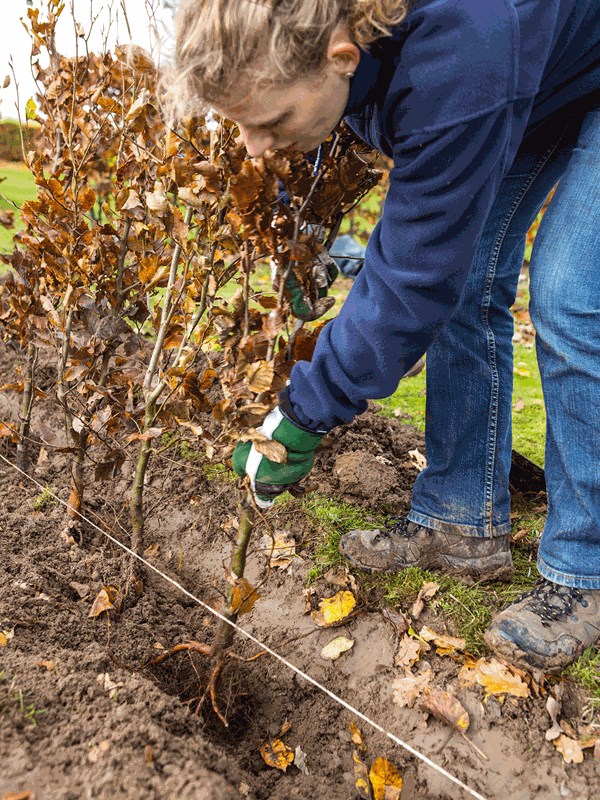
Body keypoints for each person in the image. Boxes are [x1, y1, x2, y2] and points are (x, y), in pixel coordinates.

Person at [172, 0, 600, 675]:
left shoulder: (462, 51)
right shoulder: (342, 39)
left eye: (270, 122)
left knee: (572, 292)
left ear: (342, 56)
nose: (253, 146)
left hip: (540, 53)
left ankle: (585, 571)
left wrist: (304, 412)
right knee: (469, 275)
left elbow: (413, 276)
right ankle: (460, 518)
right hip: (547, 62)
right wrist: (302, 233)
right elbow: (335, 136)